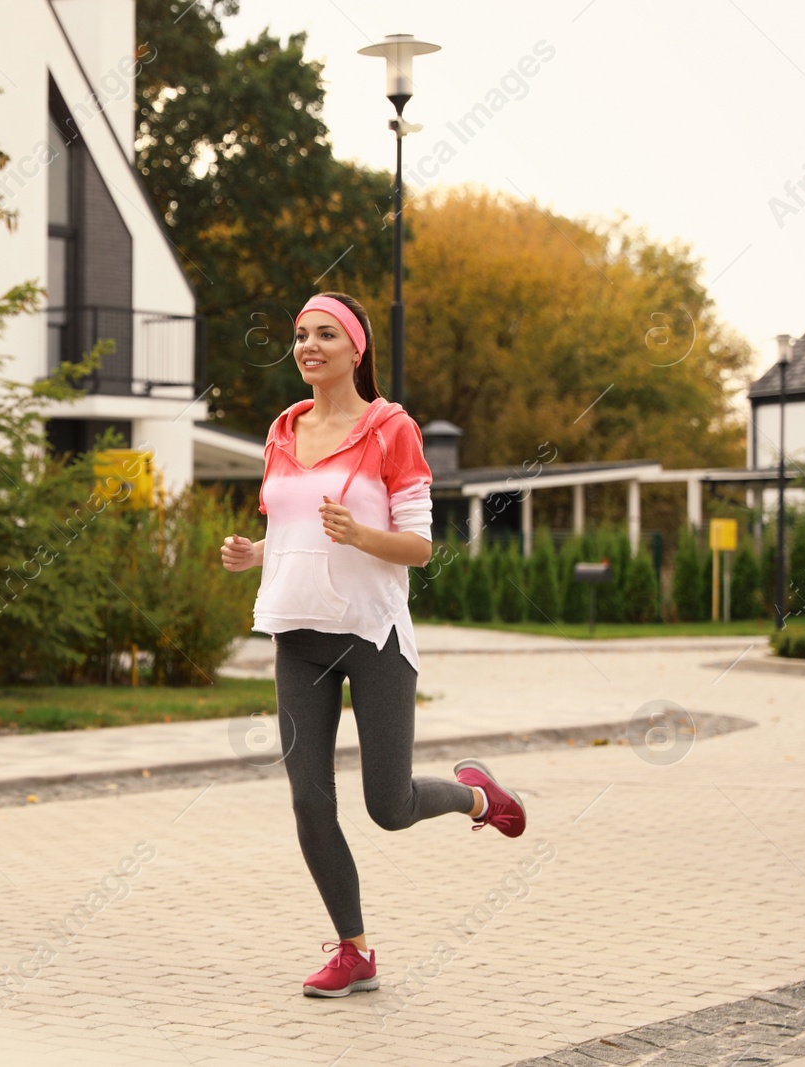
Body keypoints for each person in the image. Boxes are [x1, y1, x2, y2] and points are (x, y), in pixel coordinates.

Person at [220, 292, 527, 999]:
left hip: (372, 635)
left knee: (387, 805)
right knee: (309, 801)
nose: (309, 345)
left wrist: (361, 535)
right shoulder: (283, 430)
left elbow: (419, 546)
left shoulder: (392, 428)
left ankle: (475, 795)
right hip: (297, 634)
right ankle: (354, 950)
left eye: (326, 333)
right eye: (301, 335)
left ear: (356, 349)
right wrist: (254, 551)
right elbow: (298, 531)